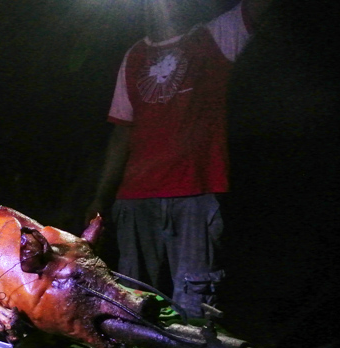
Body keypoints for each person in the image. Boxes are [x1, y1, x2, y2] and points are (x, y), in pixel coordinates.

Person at [85, 0, 271, 318]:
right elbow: (121, 132)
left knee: (195, 302)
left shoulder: (213, 36)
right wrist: (101, 196)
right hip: (136, 196)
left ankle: (191, 347)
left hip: (195, 193)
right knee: (132, 297)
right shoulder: (135, 54)